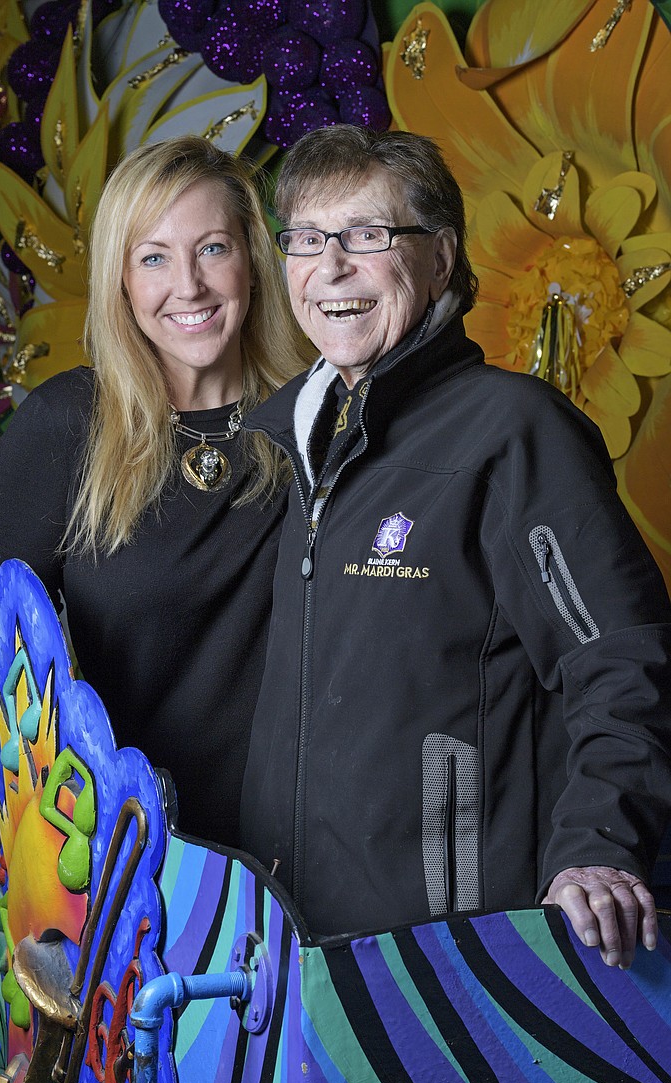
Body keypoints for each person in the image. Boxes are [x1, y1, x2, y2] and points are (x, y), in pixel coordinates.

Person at [241, 124, 671, 967]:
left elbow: (622, 655)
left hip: (448, 958)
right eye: (307, 239)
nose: (331, 266)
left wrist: (598, 845)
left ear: (441, 259)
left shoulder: (512, 434)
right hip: (293, 949)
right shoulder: (283, 443)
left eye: (368, 236)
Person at [0, 135, 311, 847]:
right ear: (121, 282)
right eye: (154, 257)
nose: (188, 285)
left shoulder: (314, 421)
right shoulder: (66, 427)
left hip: (298, 848)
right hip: (118, 857)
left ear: (253, 260)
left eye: (213, 249)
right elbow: (7, 685)